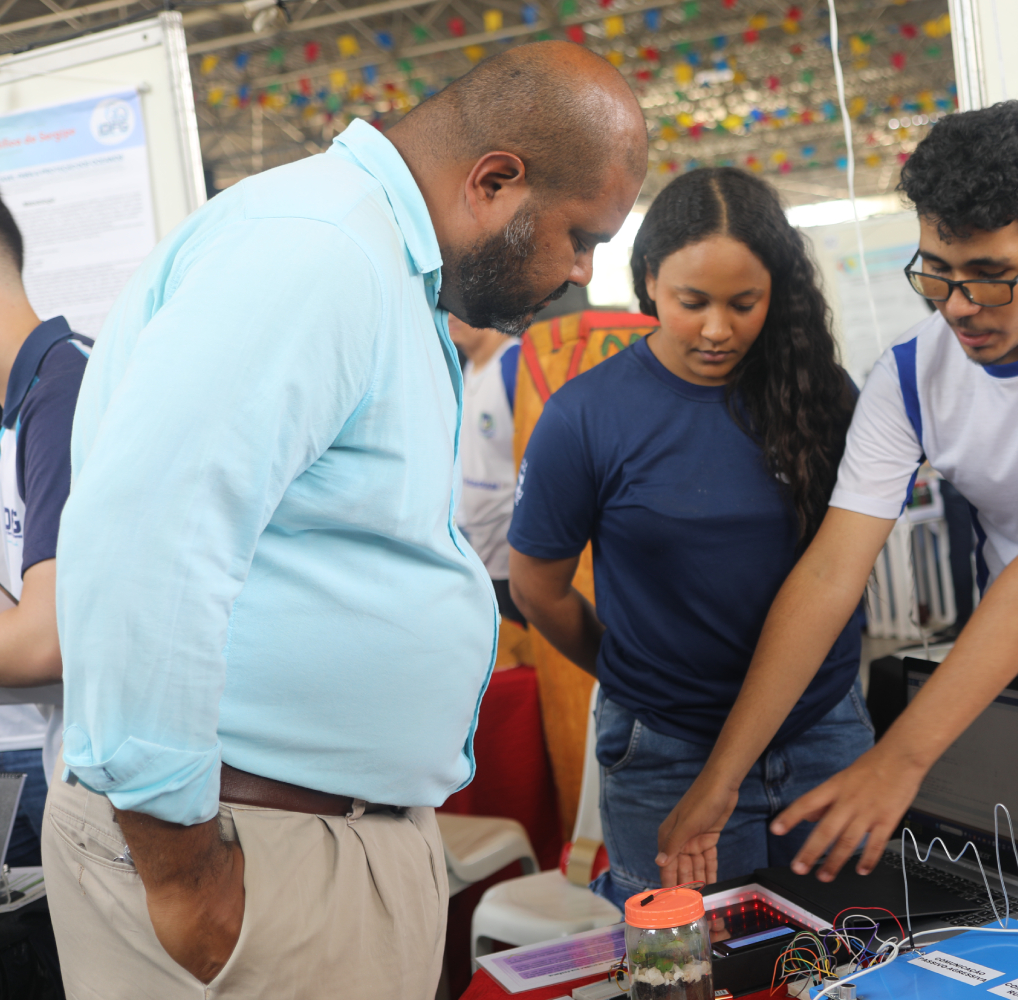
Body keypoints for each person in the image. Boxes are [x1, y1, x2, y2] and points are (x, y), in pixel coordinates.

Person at [45, 42, 646, 998]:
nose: (578, 273)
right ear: (495, 181)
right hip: (242, 848)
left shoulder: (377, 265)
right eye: (582, 236)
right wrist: (184, 870)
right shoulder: (318, 249)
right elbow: (150, 540)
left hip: (298, 838)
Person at [656, 101, 1018, 886]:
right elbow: (831, 574)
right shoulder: (908, 375)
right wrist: (724, 774)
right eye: (936, 269)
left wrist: (901, 757)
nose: (958, 304)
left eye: (991, 277)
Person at [508, 167, 871, 902]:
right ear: (649, 282)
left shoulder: (821, 397)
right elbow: (536, 589)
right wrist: (637, 675)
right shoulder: (586, 416)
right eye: (691, 302)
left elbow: (841, 568)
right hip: (665, 753)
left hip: (821, 731)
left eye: (744, 304)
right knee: (685, 966)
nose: (717, 329)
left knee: (851, 955)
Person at [0, 166, 90, 866]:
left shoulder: (67, 391)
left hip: (125, 805)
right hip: (71, 764)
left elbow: (51, 640)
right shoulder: (38, 393)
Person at [449, 314, 525, 625]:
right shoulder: (465, 367)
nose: (449, 315)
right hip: (476, 548)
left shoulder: (514, 365)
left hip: (514, 556)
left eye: (459, 307)